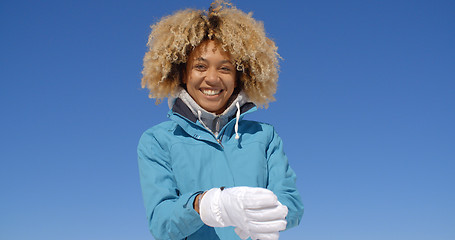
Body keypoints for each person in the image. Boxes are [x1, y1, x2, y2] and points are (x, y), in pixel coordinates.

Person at [137, 1, 304, 239]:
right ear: (183, 73)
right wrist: (206, 204)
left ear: (238, 77)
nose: (212, 78)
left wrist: (271, 211)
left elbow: (293, 204)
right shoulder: (157, 140)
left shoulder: (265, 137)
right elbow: (161, 223)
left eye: (225, 68)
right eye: (200, 66)